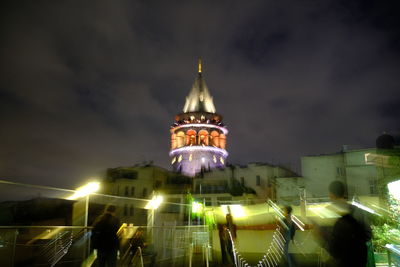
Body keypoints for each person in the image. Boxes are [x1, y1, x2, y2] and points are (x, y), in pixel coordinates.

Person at [325, 181, 371, 267]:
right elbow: (368, 234)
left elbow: (324, 237)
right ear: (344, 193)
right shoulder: (357, 210)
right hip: (358, 259)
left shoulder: (327, 212)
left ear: (331, 195)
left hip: (338, 261)